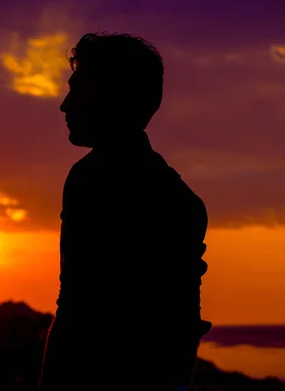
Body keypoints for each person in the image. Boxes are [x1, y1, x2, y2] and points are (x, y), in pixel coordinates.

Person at [38, 32, 212, 390]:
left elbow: (75, 311)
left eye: (77, 88)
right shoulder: (183, 201)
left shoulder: (90, 179)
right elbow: (182, 330)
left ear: (110, 96)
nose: (65, 105)